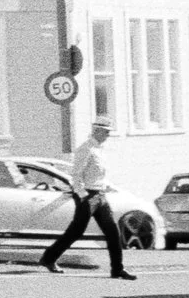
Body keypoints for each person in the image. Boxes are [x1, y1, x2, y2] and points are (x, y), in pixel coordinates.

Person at [40, 118, 135, 279]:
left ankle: (117, 269)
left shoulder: (100, 150)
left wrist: (106, 189)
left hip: (100, 195)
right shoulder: (86, 149)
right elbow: (76, 175)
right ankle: (49, 258)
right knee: (76, 232)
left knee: (113, 232)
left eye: (108, 132)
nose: (107, 135)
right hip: (88, 196)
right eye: (105, 132)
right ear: (96, 131)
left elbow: (98, 175)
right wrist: (83, 196)